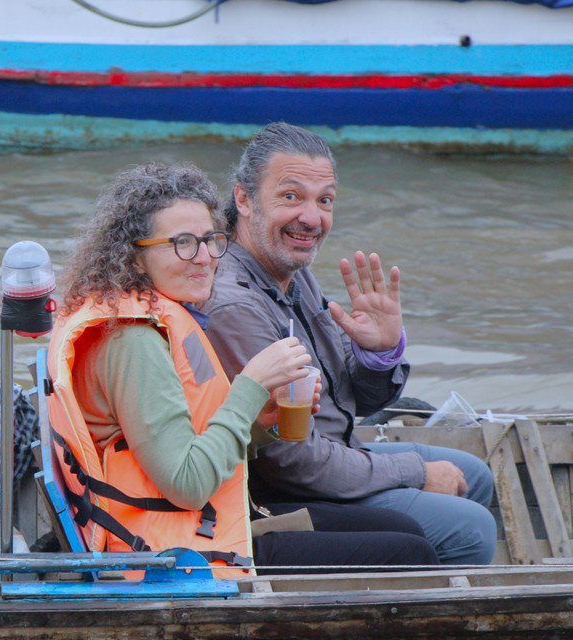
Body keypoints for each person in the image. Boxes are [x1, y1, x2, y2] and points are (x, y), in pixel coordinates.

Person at [45, 162, 439, 573]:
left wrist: (262, 419)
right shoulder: (132, 340)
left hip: (196, 525)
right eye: (182, 243)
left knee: (403, 529)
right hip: (169, 556)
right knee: (410, 554)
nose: (204, 258)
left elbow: (191, 445)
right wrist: (250, 387)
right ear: (136, 256)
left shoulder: (151, 314)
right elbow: (188, 484)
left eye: (211, 240)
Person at [201, 122, 498, 565]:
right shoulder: (234, 305)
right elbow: (291, 462)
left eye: (324, 201)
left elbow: (354, 402)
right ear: (244, 200)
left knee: (473, 474)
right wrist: (415, 472)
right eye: (290, 196)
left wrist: (380, 353)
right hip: (285, 489)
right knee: (472, 530)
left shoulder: (291, 269)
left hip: (335, 452)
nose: (311, 218)